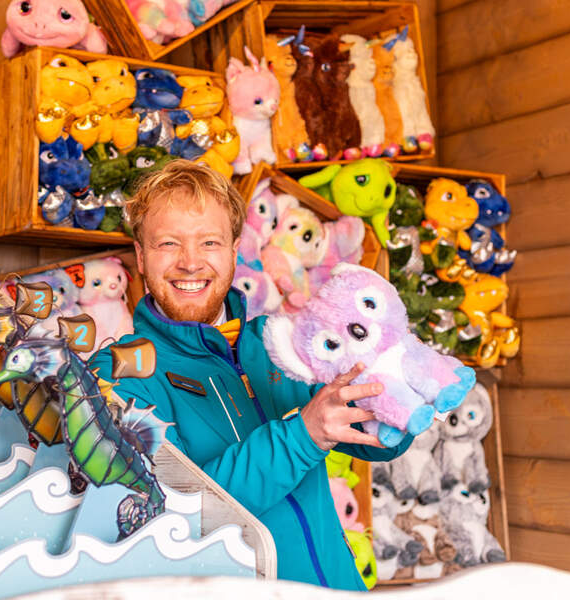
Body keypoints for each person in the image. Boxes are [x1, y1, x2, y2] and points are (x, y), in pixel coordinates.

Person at [89, 160, 413, 590]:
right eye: (169, 243)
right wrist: (304, 435)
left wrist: (395, 400)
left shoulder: (281, 341)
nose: (190, 262)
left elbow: (373, 438)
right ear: (141, 256)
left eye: (209, 242)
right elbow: (177, 514)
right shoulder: (116, 374)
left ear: (234, 250)